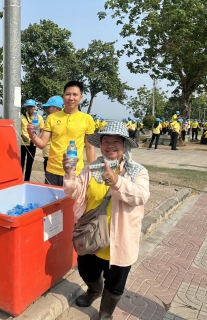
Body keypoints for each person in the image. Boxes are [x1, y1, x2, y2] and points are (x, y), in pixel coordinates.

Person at [63, 121, 150, 320]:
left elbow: (141, 196)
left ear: (124, 145)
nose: (110, 145)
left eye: (116, 142)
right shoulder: (91, 168)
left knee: (115, 284)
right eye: (106, 141)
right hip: (90, 235)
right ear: (100, 145)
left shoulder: (137, 172)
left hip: (120, 240)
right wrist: (69, 173)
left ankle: (105, 314)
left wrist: (117, 181)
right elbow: (73, 192)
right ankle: (94, 291)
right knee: (87, 272)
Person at [27, 81, 96, 186]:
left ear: (81, 97)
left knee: (74, 202)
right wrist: (32, 135)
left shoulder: (87, 119)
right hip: (52, 171)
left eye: (75, 95)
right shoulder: (52, 118)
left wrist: (92, 172)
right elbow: (41, 144)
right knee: (52, 202)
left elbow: (90, 148)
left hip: (75, 172)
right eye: (68, 94)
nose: (71, 98)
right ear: (63, 96)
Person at [20, 99, 44, 181]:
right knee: (21, 163)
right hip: (23, 144)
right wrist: (22, 135)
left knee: (29, 164)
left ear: (34, 107)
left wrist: (36, 139)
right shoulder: (22, 117)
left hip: (32, 144)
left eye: (31, 107)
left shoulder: (39, 118)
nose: (30, 109)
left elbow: (42, 130)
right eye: (28, 107)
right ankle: (19, 180)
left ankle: (27, 181)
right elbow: (17, 129)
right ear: (26, 108)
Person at [40, 96, 63, 173]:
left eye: (48, 107)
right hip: (48, 156)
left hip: (54, 159)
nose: (46, 110)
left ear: (57, 108)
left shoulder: (60, 121)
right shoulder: (50, 119)